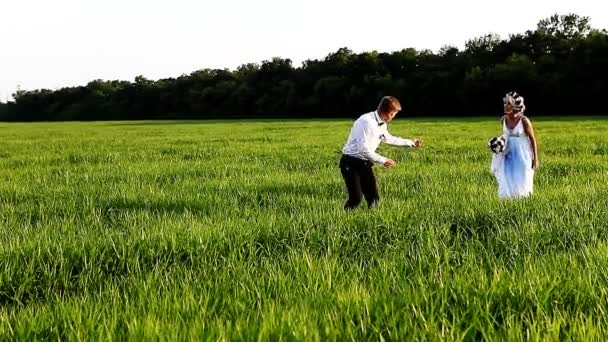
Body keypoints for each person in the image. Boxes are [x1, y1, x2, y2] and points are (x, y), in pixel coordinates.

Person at [339, 96, 422, 210]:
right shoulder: (366, 122)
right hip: (350, 162)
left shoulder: (382, 123)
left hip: (365, 163)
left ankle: (372, 220)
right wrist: (383, 160)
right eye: (394, 114)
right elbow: (363, 149)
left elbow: (389, 139)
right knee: (356, 198)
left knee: (374, 198)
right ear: (389, 113)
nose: (394, 116)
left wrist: (411, 143)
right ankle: (344, 219)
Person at [491, 91, 539, 199]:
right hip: (508, 155)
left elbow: (532, 139)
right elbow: (505, 136)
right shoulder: (503, 120)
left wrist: (535, 158)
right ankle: (508, 202)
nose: (505, 105)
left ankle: (522, 203)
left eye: (508, 103)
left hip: (523, 156)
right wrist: (498, 144)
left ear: (515, 106)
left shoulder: (524, 121)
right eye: (505, 103)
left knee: (522, 180)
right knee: (507, 178)